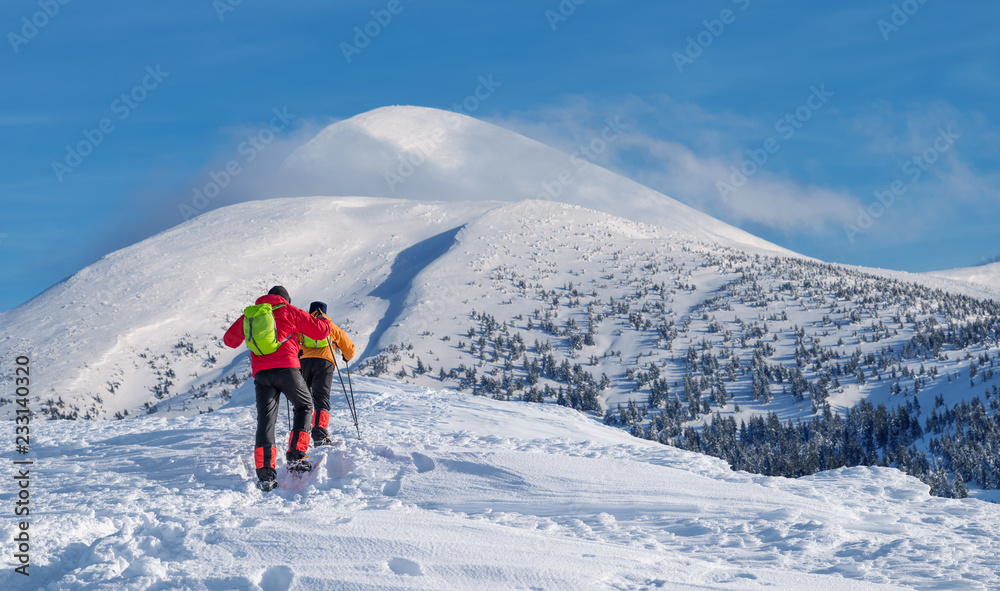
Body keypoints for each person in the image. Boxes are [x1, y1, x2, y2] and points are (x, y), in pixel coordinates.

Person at [223, 285, 331, 490]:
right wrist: (324, 320)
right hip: (287, 369)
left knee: (266, 421)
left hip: (262, 374)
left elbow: (229, 341)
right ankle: (296, 457)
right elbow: (320, 332)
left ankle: (265, 475)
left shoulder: (251, 315)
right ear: (285, 299)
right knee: (305, 405)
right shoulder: (289, 311)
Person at [298, 301, 356, 446]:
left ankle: (301, 432)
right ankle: (319, 435)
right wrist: (346, 357)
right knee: (321, 398)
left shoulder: (303, 324)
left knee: (304, 399)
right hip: (324, 363)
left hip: (304, 362)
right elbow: (348, 348)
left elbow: (293, 340)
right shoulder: (330, 326)